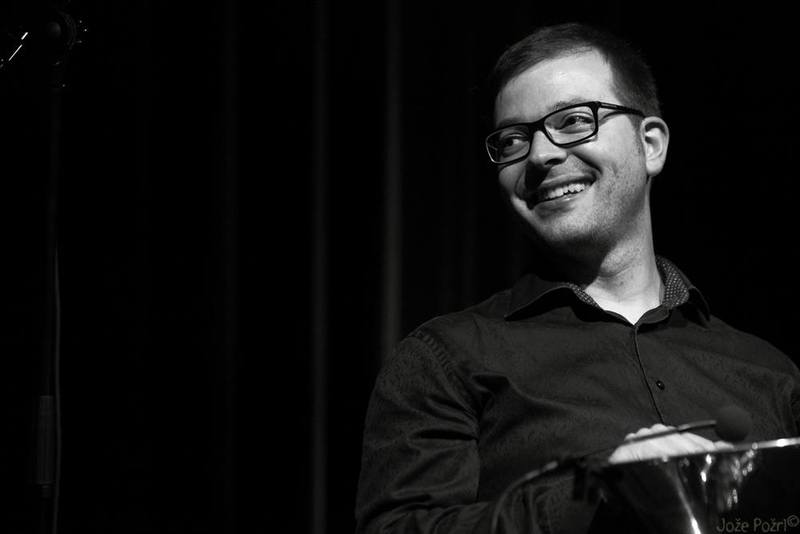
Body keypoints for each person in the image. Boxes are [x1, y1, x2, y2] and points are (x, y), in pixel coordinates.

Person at [354, 22, 800, 534]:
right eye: (513, 139)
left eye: (573, 121)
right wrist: (599, 494)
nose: (540, 155)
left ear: (651, 145)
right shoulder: (448, 360)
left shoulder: (770, 374)